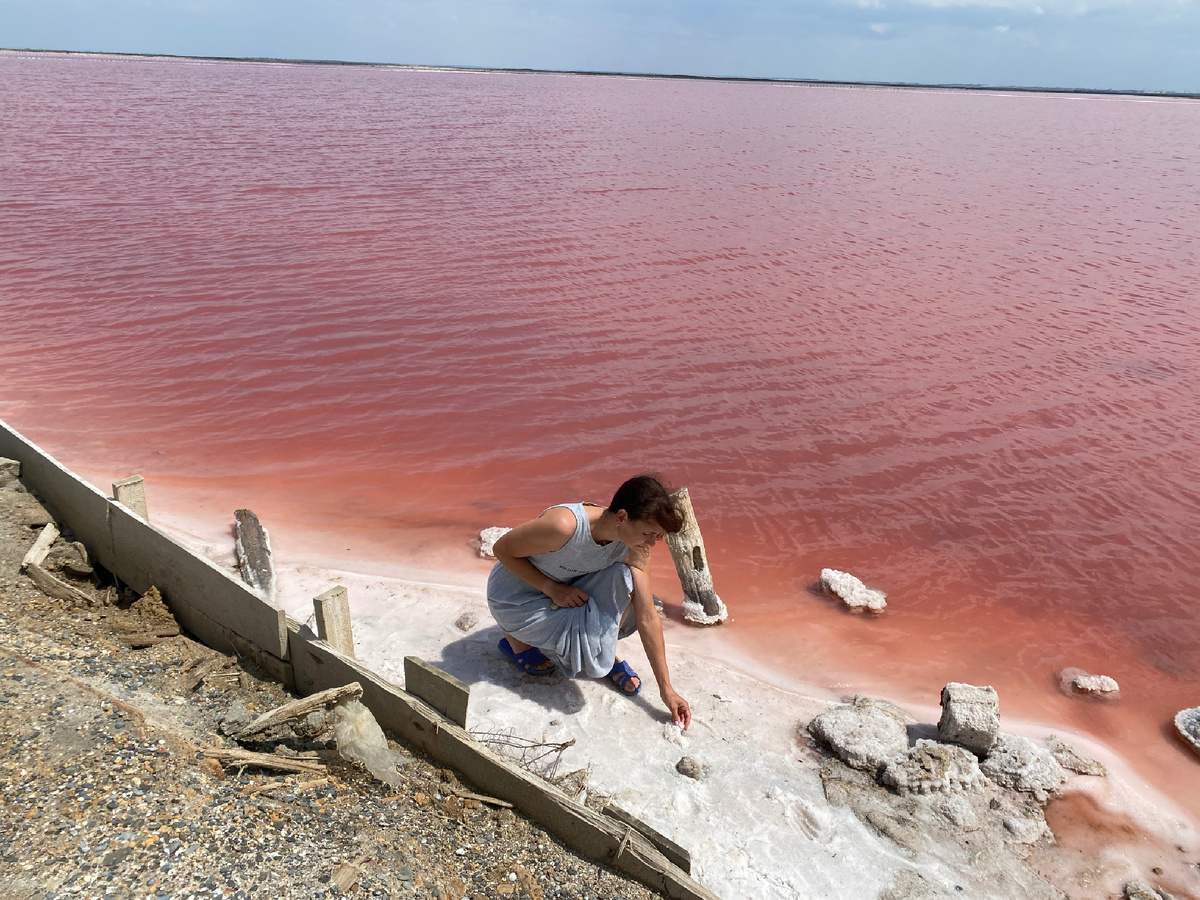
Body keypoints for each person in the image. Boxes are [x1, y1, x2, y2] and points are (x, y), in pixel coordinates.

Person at [487, 475, 692, 730]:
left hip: (563, 592)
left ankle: (599, 649)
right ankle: (516, 639)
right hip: (516, 601)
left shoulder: (634, 549)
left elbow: (648, 617)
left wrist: (667, 689)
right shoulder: (565, 525)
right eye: (648, 534)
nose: (651, 544)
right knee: (593, 655)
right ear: (621, 517)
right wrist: (552, 589)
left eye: (656, 537)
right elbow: (501, 549)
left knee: (630, 585)